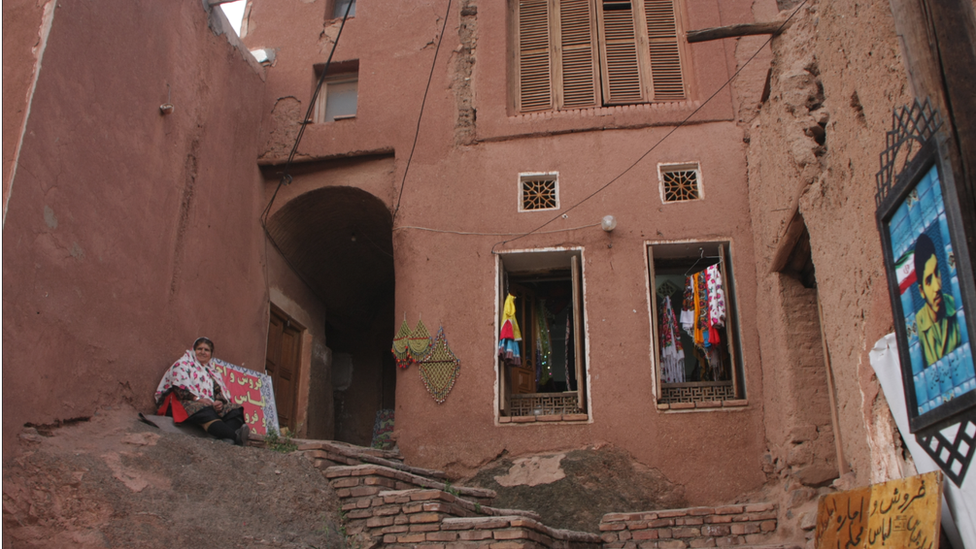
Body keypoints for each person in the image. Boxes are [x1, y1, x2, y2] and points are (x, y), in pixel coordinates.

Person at [155, 337, 250, 445]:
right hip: (178, 402)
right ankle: (235, 437)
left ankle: (228, 440)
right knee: (205, 410)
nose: (203, 352)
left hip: (206, 403)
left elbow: (218, 392)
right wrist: (198, 399)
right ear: (193, 350)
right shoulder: (182, 364)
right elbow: (180, 390)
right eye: (200, 349)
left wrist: (219, 402)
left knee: (235, 409)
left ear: (211, 354)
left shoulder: (211, 371)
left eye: (207, 350)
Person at [913, 234, 962, 368]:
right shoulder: (917, 329)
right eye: (929, 280)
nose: (937, 287)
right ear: (921, 291)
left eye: (937, 273)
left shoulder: (957, 306)